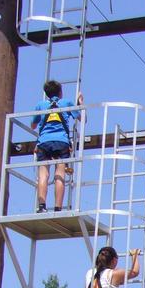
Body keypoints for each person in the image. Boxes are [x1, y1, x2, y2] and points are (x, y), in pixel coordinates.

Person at [31, 80, 82, 213]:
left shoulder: (40, 105)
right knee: (59, 174)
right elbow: (82, 118)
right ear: (60, 92)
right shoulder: (66, 103)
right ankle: (58, 208)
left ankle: (42, 206)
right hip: (61, 142)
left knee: (43, 175)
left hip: (44, 142)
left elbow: (33, 125)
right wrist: (80, 104)